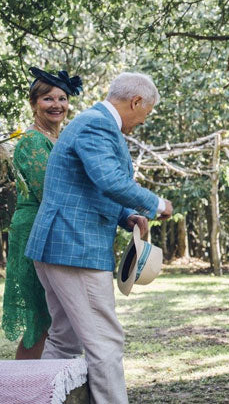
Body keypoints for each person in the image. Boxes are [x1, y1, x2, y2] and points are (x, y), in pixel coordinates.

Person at [25, 72, 173, 404]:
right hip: (74, 249)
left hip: (59, 247)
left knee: (63, 341)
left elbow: (88, 186)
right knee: (105, 342)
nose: (140, 123)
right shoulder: (97, 124)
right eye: (144, 114)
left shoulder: (91, 122)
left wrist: (126, 216)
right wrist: (157, 204)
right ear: (135, 102)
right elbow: (109, 180)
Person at [2, 67, 81, 359]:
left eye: (62, 98)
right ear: (34, 103)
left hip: (51, 227)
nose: (57, 104)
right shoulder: (33, 142)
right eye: (48, 98)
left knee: (54, 316)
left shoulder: (58, 140)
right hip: (36, 228)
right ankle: (24, 392)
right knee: (43, 318)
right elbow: (51, 192)